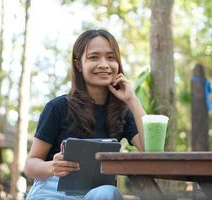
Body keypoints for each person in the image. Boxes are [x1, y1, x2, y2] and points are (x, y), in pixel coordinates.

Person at [24, 29, 146, 200]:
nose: (104, 64)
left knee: (109, 192)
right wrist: (53, 166)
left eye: (110, 57)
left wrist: (132, 99)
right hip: (52, 190)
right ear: (79, 64)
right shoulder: (58, 107)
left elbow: (150, 150)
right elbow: (30, 165)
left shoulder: (122, 112)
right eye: (94, 57)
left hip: (96, 193)